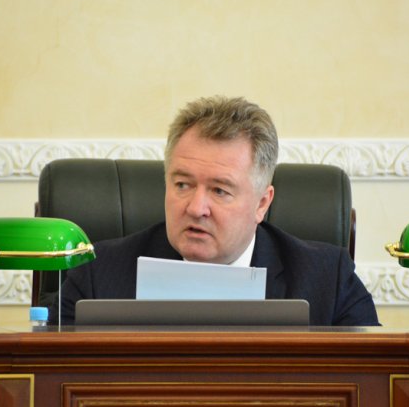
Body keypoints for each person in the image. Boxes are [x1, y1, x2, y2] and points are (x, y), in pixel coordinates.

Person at [50, 96, 379, 326]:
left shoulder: (327, 281)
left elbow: (370, 383)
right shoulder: (97, 276)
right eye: (182, 185)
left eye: (220, 191)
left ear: (262, 204)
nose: (196, 208)